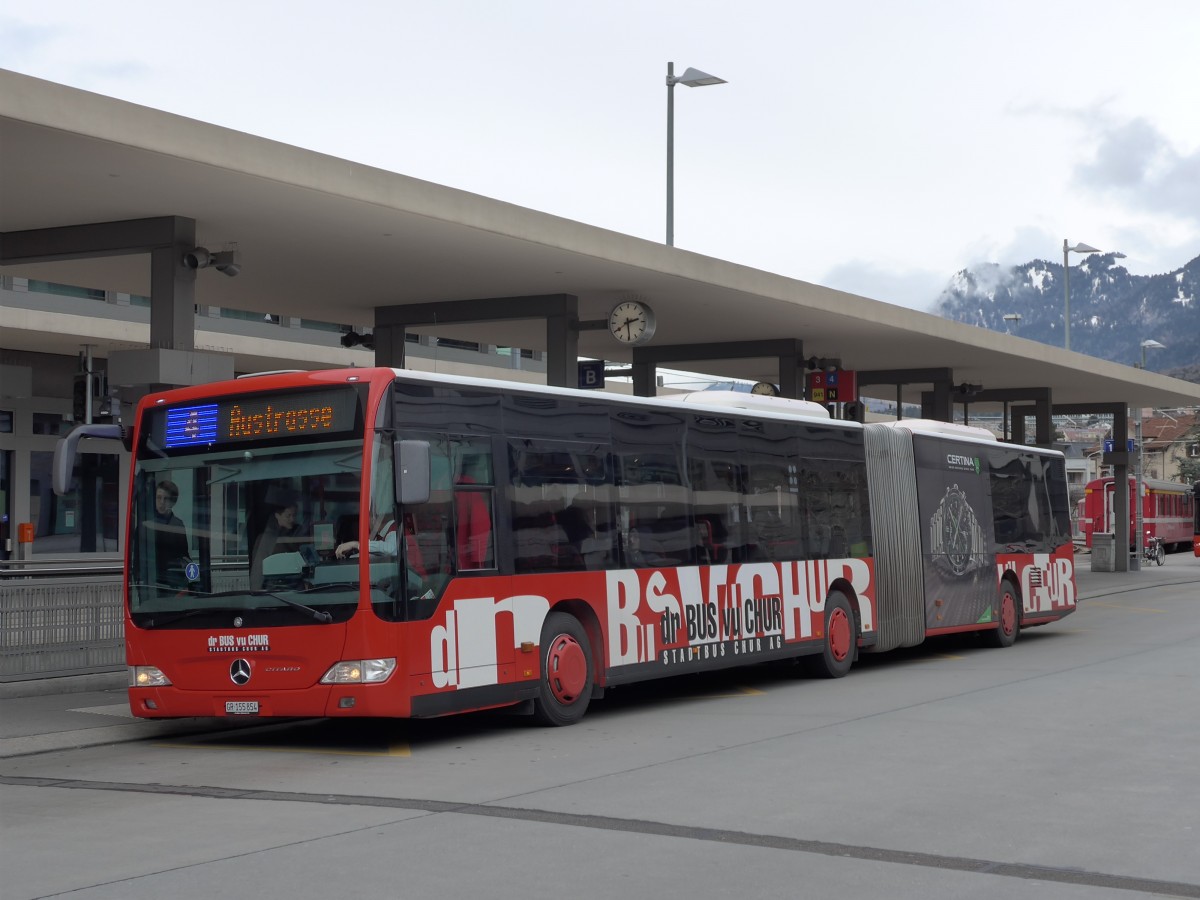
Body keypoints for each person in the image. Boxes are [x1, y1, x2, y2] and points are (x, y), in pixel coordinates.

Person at [251, 500, 305, 589]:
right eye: (288, 516)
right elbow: (258, 568)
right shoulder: (267, 538)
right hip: (273, 588)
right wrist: (256, 591)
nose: (292, 519)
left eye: (294, 515)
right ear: (277, 515)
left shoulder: (297, 534)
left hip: (294, 586)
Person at [146, 480, 189, 587]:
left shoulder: (178, 525)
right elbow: (137, 562)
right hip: (151, 584)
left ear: (172, 502)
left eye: (166, 499)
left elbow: (183, 555)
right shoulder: (146, 526)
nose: (161, 502)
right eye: (158, 498)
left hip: (173, 583)